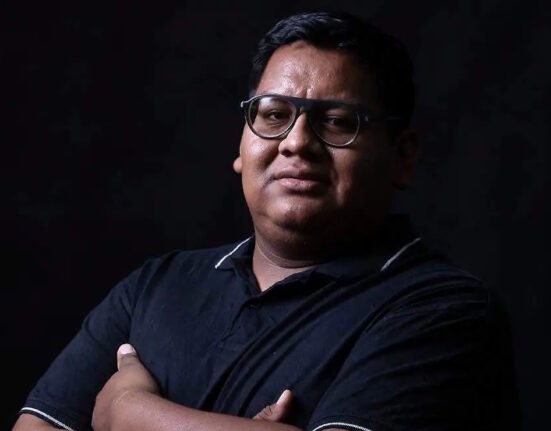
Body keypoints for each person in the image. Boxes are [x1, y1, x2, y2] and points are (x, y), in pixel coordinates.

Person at [13, 11, 518, 431]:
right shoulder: (154, 288)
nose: (296, 142)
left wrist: (130, 411)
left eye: (336, 121)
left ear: (402, 157)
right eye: (274, 115)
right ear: (242, 145)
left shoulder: (443, 313)